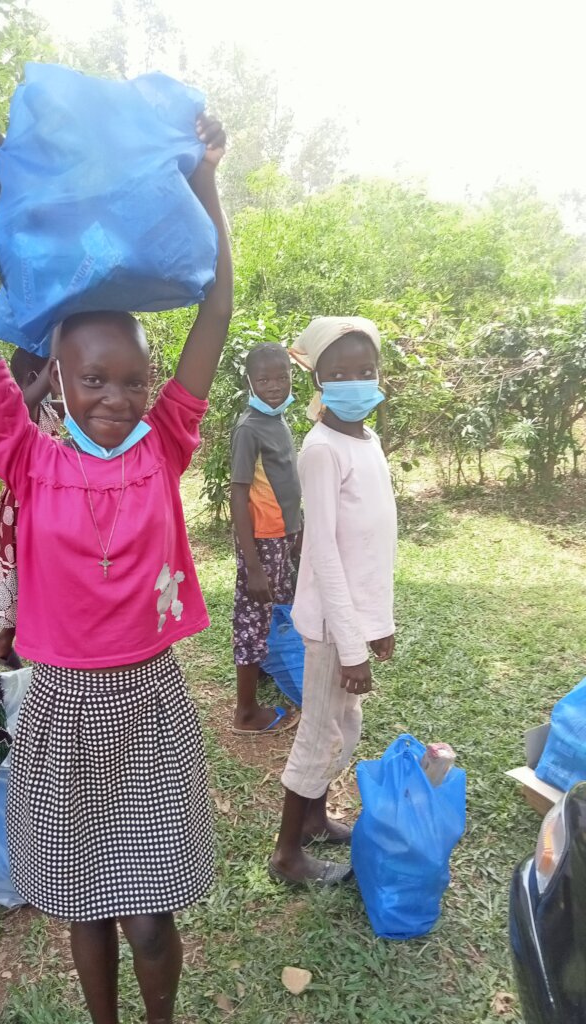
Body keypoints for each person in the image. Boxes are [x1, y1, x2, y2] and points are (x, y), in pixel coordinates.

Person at [0, 117, 231, 1024]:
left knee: (151, 914)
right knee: (83, 903)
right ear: (60, 380)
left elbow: (216, 309)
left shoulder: (167, 446)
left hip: (149, 699)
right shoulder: (26, 459)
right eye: (95, 381)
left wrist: (208, 181)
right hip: (64, 706)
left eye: (131, 381)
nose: (116, 399)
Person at [268, 316, 397, 886]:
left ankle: (316, 819)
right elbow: (322, 552)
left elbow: (374, 545)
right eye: (339, 372)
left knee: (345, 725)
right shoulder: (322, 450)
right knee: (321, 732)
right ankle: (287, 854)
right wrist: (351, 645)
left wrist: (379, 623)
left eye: (365, 370)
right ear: (318, 379)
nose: (355, 381)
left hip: (353, 621)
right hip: (327, 627)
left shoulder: (368, 441)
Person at [230, 342, 301, 734]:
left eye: (281, 377)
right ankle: (245, 712)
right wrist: (252, 564)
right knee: (253, 617)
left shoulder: (279, 420)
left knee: (277, 610)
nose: (274, 386)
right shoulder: (249, 428)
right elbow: (238, 493)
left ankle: (267, 674)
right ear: (250, 382)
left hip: (282, 537)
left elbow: (287, 484)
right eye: (264, 379)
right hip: (261, 541)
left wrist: (298, 531)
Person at [0, 348, 62, 669]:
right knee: (13, 593)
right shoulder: (25, 409)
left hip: (36, 507)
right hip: (24, 512)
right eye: (55, 372)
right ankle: (0, 658)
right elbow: (26, 401)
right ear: (36, 378)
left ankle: (4, 657)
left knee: (19, 596)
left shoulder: (46, 410)